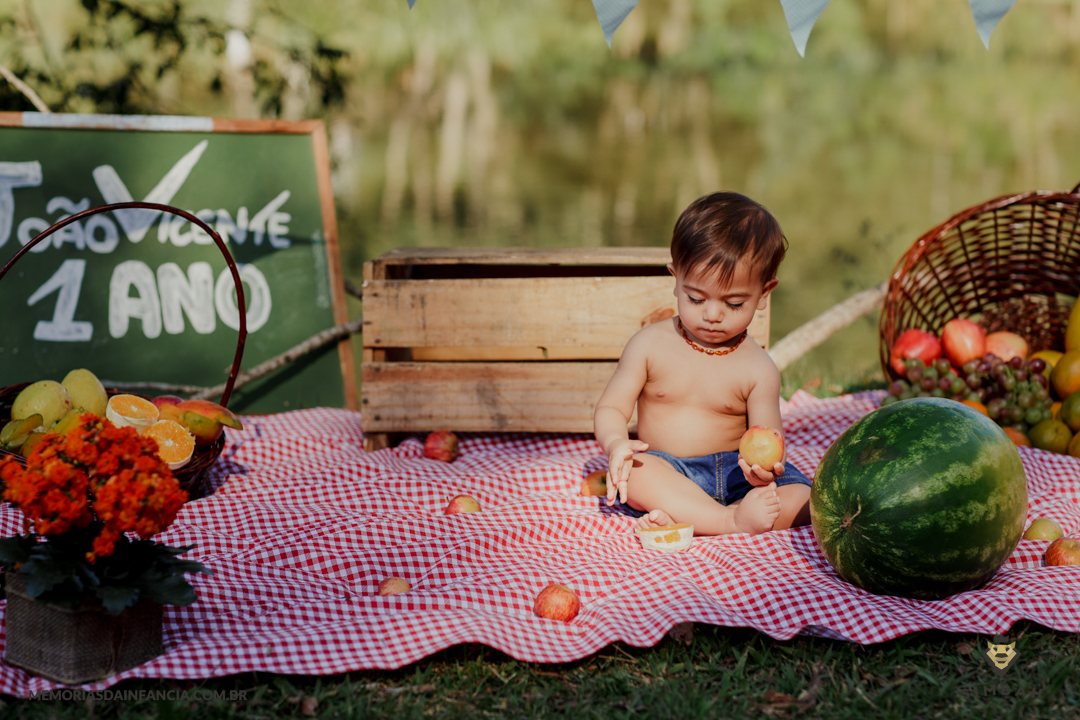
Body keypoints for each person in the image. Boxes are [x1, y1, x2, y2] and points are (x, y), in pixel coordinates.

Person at [593, 192, 812, 535]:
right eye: (696, 298)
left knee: (806, 500)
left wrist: (763, 473)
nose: (712, 314)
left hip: (737, 474)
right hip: (669, 469)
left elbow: (769, 440)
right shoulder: (649, 345)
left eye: (734, 303)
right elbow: (611, 408)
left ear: (764, 293)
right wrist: (616, 443)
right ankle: (728, 520)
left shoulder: (758, 368)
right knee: (636, 474)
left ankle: (697, 515)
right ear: (675, 279)